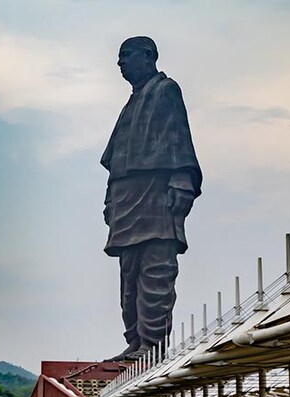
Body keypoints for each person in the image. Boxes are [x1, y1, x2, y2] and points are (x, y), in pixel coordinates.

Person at [102, 36, 202, 361]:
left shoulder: (165, 90)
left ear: (148, 56)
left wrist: (182, 180)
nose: (120, 63)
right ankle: (135, 341)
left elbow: (179, 137)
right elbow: (114, 161)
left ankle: (152, 344)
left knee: (156, 270)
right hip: (126, 199)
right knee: (128, 276)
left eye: (125, 56)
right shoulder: (130, 104)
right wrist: (110, 200)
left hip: (156, 195)